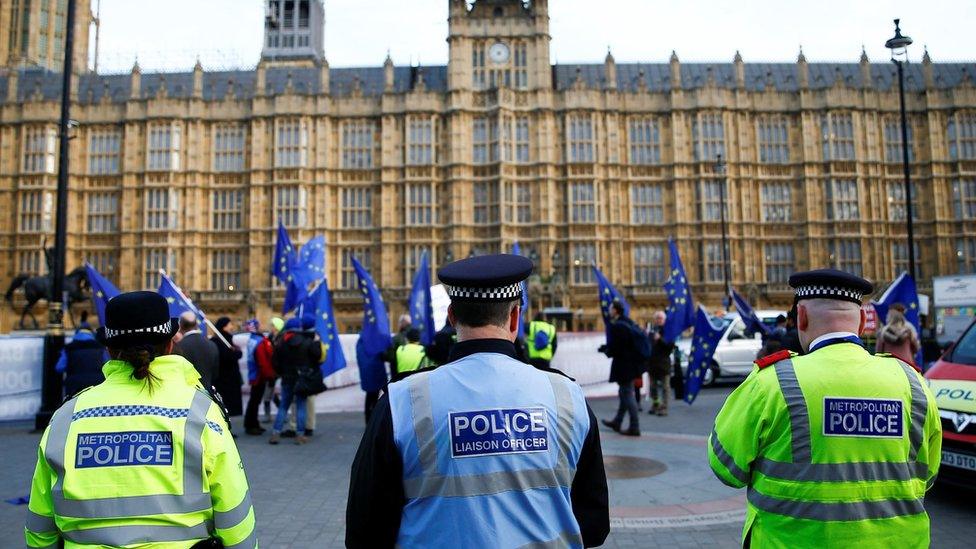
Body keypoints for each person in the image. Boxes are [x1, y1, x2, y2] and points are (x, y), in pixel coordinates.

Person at [347, 254, 610, 548]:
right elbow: (594, 525)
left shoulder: (402, 402)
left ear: (452, 317)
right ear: (515, 317)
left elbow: (365, 531)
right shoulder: (568, 397)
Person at [708, 269, 941, 548]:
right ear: (863, 323)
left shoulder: (772, 382)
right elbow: (927, 474)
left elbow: (725, 468)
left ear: (802, 318)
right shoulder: (913, 383)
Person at [24, 291, 256, 548]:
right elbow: (236, 519)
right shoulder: (199, 412)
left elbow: (39, 528)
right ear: (169, 344)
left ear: (109, 349)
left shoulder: (65, 418)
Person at [270, 316, 322, 445]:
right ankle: (300, 435)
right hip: (301, 379)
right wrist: (317, 342)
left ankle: (276, 433)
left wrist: (281, 373)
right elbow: (317, 356)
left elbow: (274, 362)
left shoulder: (281, 342)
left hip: (287, 378)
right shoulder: (307, 340)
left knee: (283, 406)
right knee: (301, 406)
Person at [599, 301, 643, 436]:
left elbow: (618, 348)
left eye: (611, 308)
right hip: (631, 364)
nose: (609, 311)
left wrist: (606, 350)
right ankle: (617, 421)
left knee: (627, 394)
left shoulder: (618, 326)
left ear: (616, 310)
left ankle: (634, 427)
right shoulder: (628, 322)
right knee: (624, 393)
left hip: (624, 366)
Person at [56, 320, 107, 399]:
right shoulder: (100, 347)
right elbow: (107, 363)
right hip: (97, 383)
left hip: (74, 386)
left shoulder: (68, 348)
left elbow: (59, 367)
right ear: (91, 333)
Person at [243, 319, 275, 435]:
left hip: (254, 374)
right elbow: (263, 361)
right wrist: (269, 375)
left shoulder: (252, 339)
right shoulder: (260, 341)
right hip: (259, 375)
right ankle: (251, 425)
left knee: (254, 400)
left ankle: (253, 423)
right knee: (255, 401)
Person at [175, 311, 220, 389]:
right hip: (207, 393)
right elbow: (215, 374)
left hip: (187, 394)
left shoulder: (179, 346)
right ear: (196, 324)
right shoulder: (211, 344)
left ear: (181, 325)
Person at [212, 317, 244, 423]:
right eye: (230, 324)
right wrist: (236, 353)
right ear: (224, 326)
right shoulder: (218, 341)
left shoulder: (227, 339)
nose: (232, 327)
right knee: (224, 405)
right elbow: (227, 357)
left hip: (229, 379)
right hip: (224, 379)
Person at [647, 311, 675, 416]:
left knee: (665, 387)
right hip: (652, 363)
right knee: (652, 387)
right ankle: (655, 404)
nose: (659, 320)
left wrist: (660, 339)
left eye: (660, 318)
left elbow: (670, 347)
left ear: (664, 320)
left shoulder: (668, 331)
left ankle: (664, 407)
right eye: (657, 318)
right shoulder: (652, 331)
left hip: (664, 363)